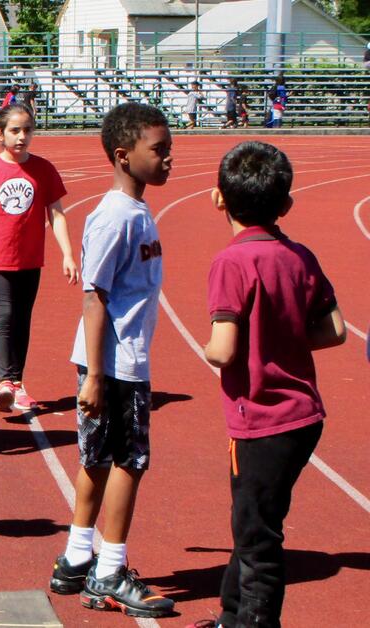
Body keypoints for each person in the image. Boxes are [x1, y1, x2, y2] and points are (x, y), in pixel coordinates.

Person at [198, 141, 346, 628]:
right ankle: (231, 614)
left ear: (219, 199)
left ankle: (255, 622)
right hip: (304, 417)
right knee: (253, 521)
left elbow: (222, 348)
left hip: (260, 419)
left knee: (257, 535)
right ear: (286, 205)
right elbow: (334, 330)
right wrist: (282, 336)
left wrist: (209, 350)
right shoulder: (299, 256)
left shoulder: (231, 262)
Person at [48, 102, 175, 619]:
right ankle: (109, 572)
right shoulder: (114, 217)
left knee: (97, 458)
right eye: (158, 150)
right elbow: (93, 295)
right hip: (117, 364)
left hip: (116, 361)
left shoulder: (136, 211)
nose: (169, 159)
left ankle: (78, 557)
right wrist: (96, 376)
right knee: (128, 462)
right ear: (123, 156)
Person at [0, 104, 78, 413]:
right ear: (0, 134)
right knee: (4, 316)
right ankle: (6, 381)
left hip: (29, 260)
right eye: (15, 131)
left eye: (27, 130)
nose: (21, 136)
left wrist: (68, 253)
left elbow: (56, 213)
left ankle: (17, 383)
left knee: (22, 320)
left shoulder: (43, 169)